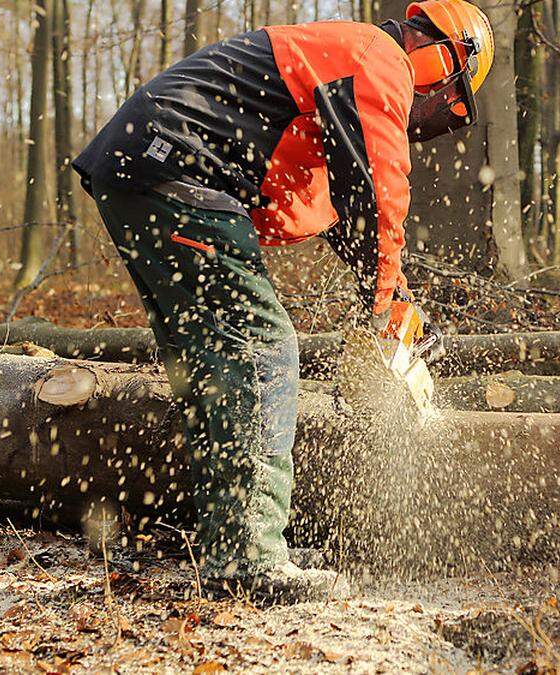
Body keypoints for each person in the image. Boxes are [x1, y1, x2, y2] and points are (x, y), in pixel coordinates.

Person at [72, 1, 494, 603]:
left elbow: (343, 210)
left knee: (213, 366)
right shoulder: (378, 59)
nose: (428, 111)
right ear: (444, 54)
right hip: (175, 169)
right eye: (442, 96)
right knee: (261, 349)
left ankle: (232, 538)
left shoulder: (328, 74)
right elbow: (378, 194)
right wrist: (383, 305)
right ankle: (247, 556)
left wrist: (392, 304)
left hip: (145, 168)